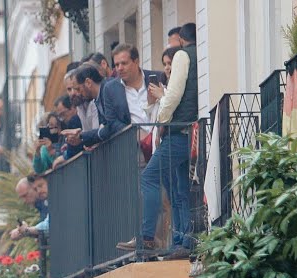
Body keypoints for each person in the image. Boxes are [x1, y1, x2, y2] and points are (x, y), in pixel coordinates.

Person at [120, 23, 199, 257]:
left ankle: (147, 237)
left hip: (177, 132)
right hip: (189, 132)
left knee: (149, 177)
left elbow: (173, 97)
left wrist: (162, 121)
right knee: (180, 190)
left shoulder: (184, 55)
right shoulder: (200, 54)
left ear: (181, 40)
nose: (168, 65)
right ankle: (182, 241)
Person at [64, 64, 131, 148]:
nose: (77, 93)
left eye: (78, 89)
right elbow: (106, 126)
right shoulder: (97, 99)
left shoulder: (109, 89)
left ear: (88, 83)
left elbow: (112, 125)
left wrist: (83, 136)